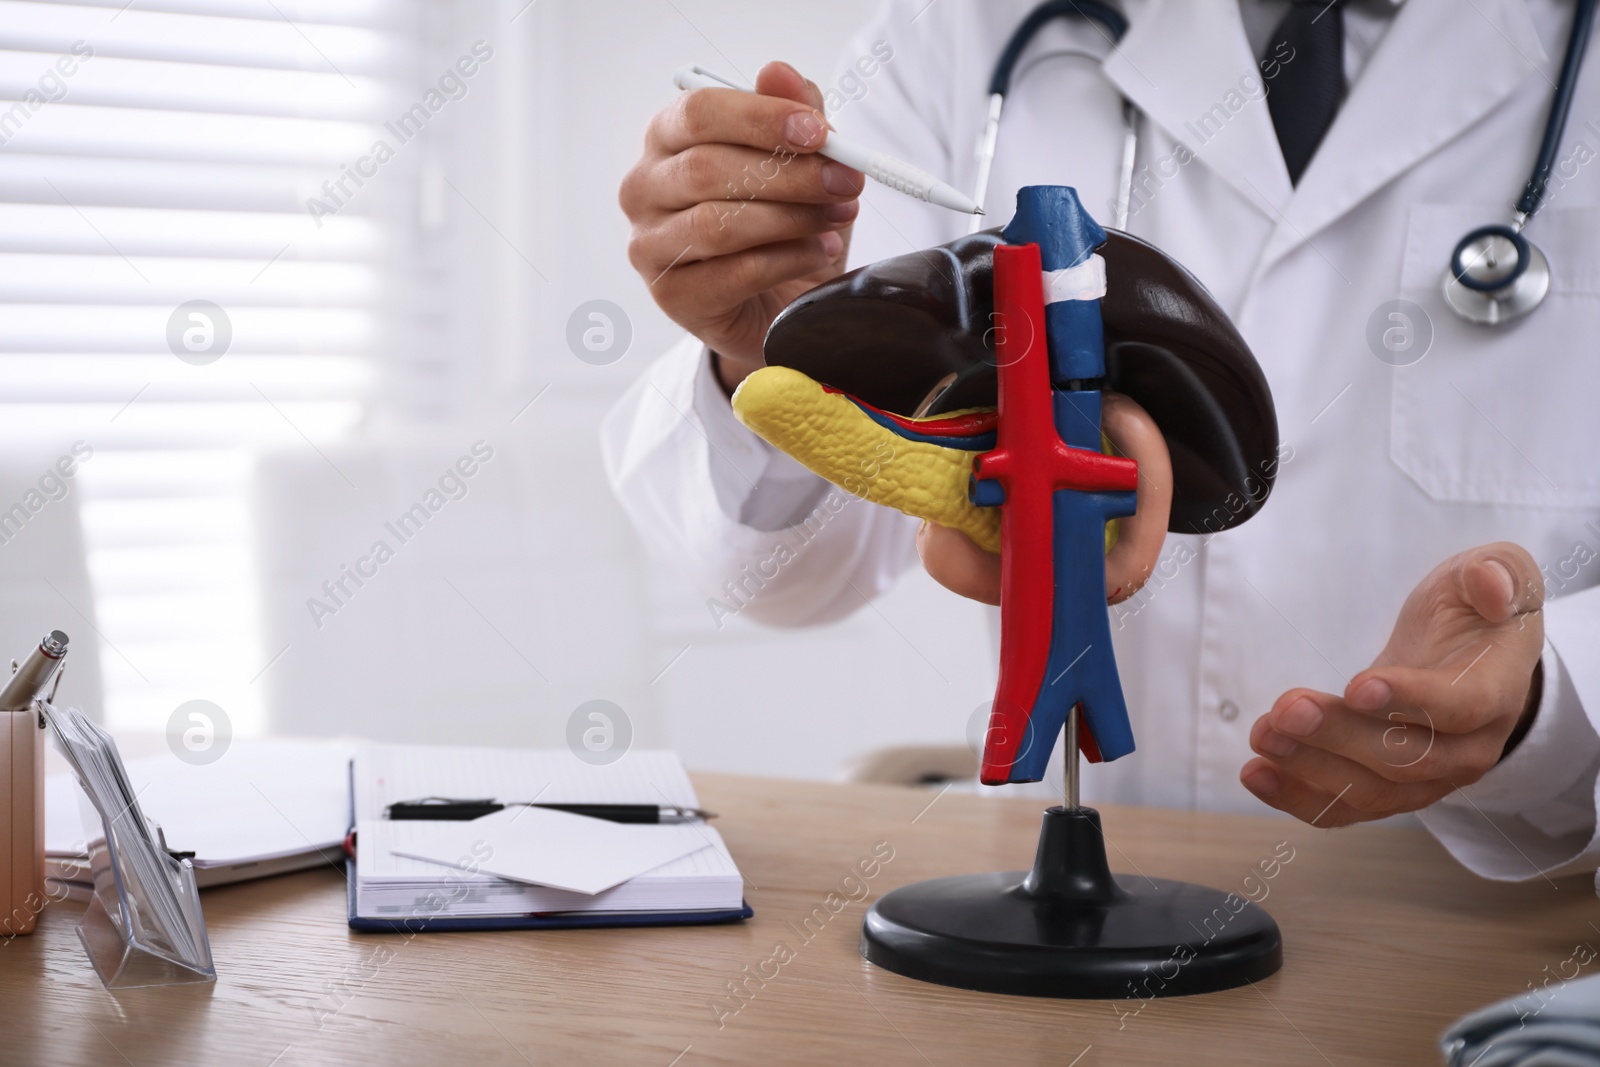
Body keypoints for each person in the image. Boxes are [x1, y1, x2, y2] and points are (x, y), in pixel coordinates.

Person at [603, 0, 1600, 885]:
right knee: (1041, 712)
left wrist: (1549, 709)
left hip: (1469, 938)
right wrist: (766, 338)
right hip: (1044, 971)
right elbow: (789, 568)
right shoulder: (968, 28)